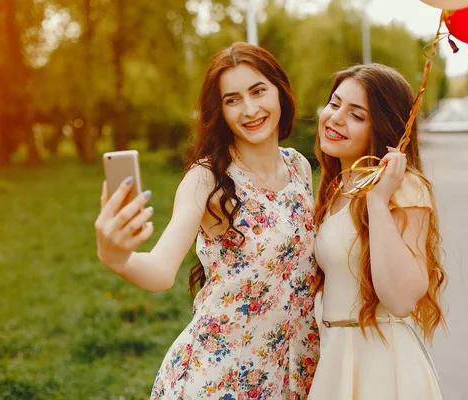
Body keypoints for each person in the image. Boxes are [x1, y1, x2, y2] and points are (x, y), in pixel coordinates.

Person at [94, 42, 319, 400]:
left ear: (280, 92)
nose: (250, 109)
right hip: (221, 376)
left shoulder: (298, 167)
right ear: (221, 111)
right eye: (232, 100)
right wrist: (116, 256)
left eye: (258, 91)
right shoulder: (208, 179)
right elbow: (161, 269)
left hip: (287, 372)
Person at [308, 63, 447, 400]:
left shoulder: (405, 188)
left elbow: (400, 300)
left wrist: (379, 201)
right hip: (336, 358)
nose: (336, 118)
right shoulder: (336, 187)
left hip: (381, 366)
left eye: (357, 115)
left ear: (383, 128)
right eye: (334, 103)